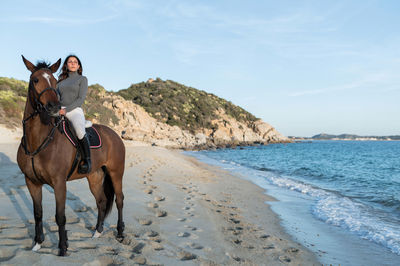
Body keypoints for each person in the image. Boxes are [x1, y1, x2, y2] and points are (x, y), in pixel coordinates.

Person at [57, 55, 91, 174]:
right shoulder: (60, 82)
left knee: (80, 131)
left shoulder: (82, 79)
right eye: (70, 62)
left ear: (78, 66)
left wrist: (66, 110)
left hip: (74, 110)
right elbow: (57, 97)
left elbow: (80, 99)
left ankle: (87, 160)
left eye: (75, 62)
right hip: (59, 110)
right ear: (66, 65)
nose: (72, 63)